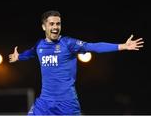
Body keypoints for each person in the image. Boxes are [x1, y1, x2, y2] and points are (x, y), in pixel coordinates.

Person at [9, 10, 144, 115]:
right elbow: (31, 52)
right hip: (44, 102)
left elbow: (93, 46)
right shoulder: (40, 45)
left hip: (67, 104)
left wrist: (121, 46)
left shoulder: (68, 43)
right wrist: (19, 56)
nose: (55, 27)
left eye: (58, 23)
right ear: (44, 26)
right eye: (51, 24)